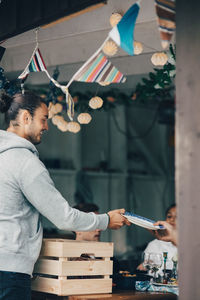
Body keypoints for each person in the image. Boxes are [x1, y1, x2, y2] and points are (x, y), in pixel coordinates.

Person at [0, 91, 130, 300]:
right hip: (9, 272)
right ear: (26, 118)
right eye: (44, 119)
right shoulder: (25, 162)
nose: (46, 127)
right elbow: (63, 217)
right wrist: (106, 220)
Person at [137, 204, 177, 272]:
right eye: (169, 216)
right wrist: (143, 266)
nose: (172, 220)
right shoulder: (154, 244)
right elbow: (145, 267)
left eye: (178, 217)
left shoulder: (192, 244)